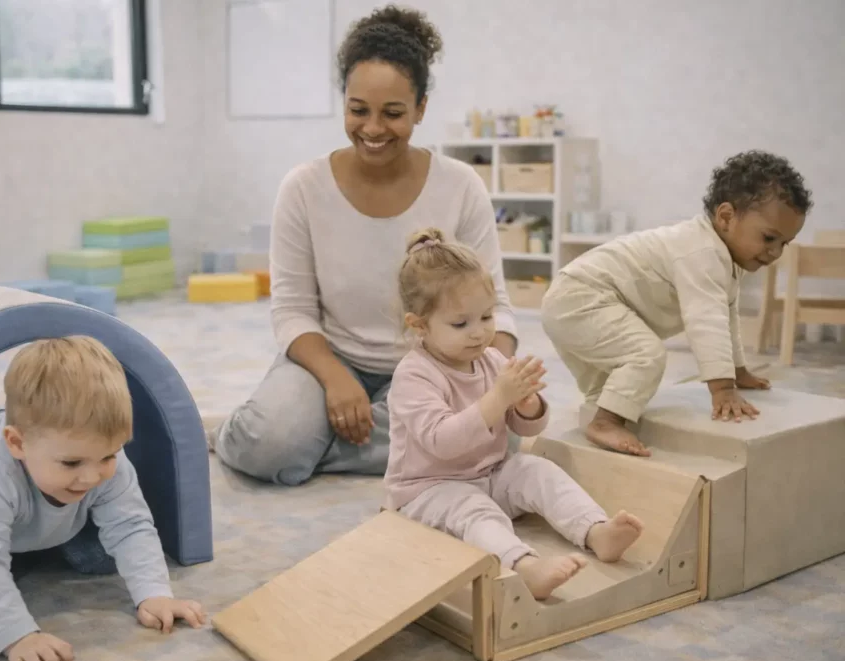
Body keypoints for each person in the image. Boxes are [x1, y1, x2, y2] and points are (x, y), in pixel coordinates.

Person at [213, 5, 519, 485]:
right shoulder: (303, 187)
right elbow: (291, 311)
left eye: (393, 113)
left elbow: (497, 305)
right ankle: (263, 433)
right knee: (267, 445)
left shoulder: (461, 186)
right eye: (359, 110)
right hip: (332, 361)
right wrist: (336, 381)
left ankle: (317, 447)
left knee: (505, 433)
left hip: (440, 363)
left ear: (420, 108)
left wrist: (496, 383)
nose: (373, 129)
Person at [384, 229, 644, 599]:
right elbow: (443, 442)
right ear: (419, 325)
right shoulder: (414, 375)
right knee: (474, 510)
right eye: (461, 323)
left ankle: (596, 531)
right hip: (429, 490)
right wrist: (498, 397)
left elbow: (526, 426)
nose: (479, 333)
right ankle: (524, 566)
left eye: (487, 317)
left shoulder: (489, 359)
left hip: (489, 474)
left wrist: (526, 405)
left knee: (536, 469)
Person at [0, 336, 205, 661]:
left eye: (108, 456)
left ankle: (34, 544)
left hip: (37, 510)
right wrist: (17, 636)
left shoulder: (98, 455)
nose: (91, 476)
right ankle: (27, 548)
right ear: (17, 443)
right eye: (72, 462)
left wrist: (155, 594)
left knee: (103, 557)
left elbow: (132, 525)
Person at [540, 150, 812, 457]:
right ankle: (605, 422)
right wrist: (722, 388)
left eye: (784, 244)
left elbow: (725, 317)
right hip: (583, 296)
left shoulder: (720, 258)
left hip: (571, 300)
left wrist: (737, 370)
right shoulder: (702, 254)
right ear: (725, 217)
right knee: (646, 355)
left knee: (611, 384)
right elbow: (706, 321)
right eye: (768, 238)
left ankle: (601, 416)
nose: (775, 252)